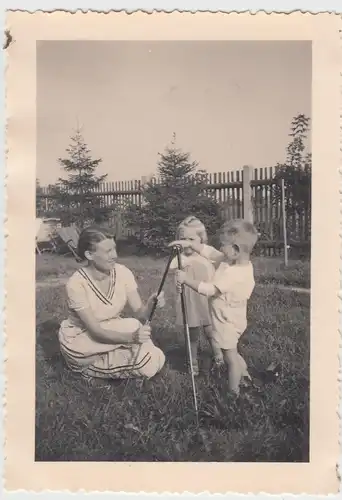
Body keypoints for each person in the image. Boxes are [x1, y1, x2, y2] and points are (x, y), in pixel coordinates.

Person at [58, 225, 166, 380]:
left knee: (136, 327)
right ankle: (85, 368)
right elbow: (95, 331)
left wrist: (151, 303)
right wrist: (131, 339)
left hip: (110, 329)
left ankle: (115, 362)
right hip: (82, 340)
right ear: (89, 254)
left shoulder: (122, 272)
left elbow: (140, 314)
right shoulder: (76, 284)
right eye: (108, 251)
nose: (114, 255)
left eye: (114, 249)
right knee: (149, 361)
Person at [169, 219, 258, 395]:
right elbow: (209, 252)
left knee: (229, 357)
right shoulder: (232, 261)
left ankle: (233, 392)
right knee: (232, 350)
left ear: (235, 250)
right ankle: (245, 376)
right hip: (230, 317)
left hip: (227, 320)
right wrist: (190, 244)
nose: (220, 249)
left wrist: (186, 280)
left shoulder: (234, 274)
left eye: (223, 245)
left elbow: (208, 289)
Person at [170, 216, 223, 376]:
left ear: (201, 239)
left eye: (191, 239)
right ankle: (193, 364)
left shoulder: (207, 256)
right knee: (192, 334)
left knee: (211, 331)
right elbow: (176, 279)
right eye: (183, 239)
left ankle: (219, 357)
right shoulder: (179, 259)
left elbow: (217, 273)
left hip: (207, 300)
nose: (187, 243)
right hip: (189, 301)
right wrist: (177, 285)